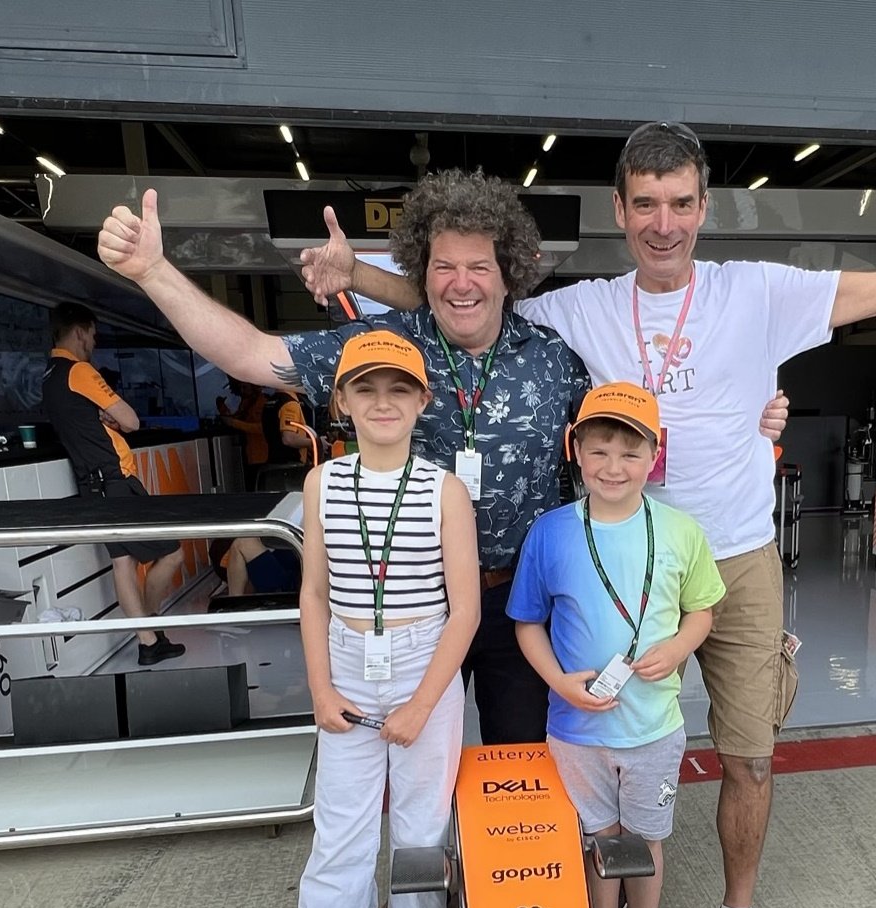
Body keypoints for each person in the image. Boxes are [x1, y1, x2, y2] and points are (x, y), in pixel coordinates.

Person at [301, 108, 876, 908]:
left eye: (681, 203)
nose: (664, 222)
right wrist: (365, 280)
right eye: (646, 203)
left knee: (750, 755)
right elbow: (467, 296)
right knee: (597, 750)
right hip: (616, 564)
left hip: (733, 561)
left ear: (704, 207)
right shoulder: (585, 307)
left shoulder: (757, 292)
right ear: (620, 209)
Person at [99, 171, 587, 744]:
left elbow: (604, 459)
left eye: (479, 266)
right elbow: (253, 356)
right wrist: (154, 272)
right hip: (414, 605)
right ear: (422, 273)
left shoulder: (554, 358)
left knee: (518, 758)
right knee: (418, 766)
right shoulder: (383, 344)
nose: (461, 284)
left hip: (519, 602)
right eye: (442, 267)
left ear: (508, 273)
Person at [269, 329, 480, 908]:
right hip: (350, 663)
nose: (382, 402)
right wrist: (321, 690)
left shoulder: (444, 490)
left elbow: (466, 607)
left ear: (423, 400)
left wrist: (424, 703)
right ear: (341, 401)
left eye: (398, 389)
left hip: (426, 663)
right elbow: (314, 596)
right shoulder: (321, 482)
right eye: (366, 388)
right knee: (340, 835)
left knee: (421, 830)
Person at [508, 383, 723, 908]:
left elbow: (702, 609)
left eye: (630, 453)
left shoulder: (681, 531)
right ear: (575, 451)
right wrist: (558, 681)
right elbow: (527, 623)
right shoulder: (550, 534)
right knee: (600, 838)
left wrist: (680, 647)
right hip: (577, 727)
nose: (612, 466)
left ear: (655, 458)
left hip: (654, 724)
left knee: (646, 839)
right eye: (598, 449)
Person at [43, 302, 186, 666]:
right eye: (91, 334)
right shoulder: (80, 372)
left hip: (93, 486)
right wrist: (116, 418)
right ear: (79, 332)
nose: (93, 341)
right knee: (172, 553)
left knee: (123, 565)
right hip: (116, 481)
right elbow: (133, 421)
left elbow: (85, 424)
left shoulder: (49, 377)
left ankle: (148, 642)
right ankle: (150, 630)